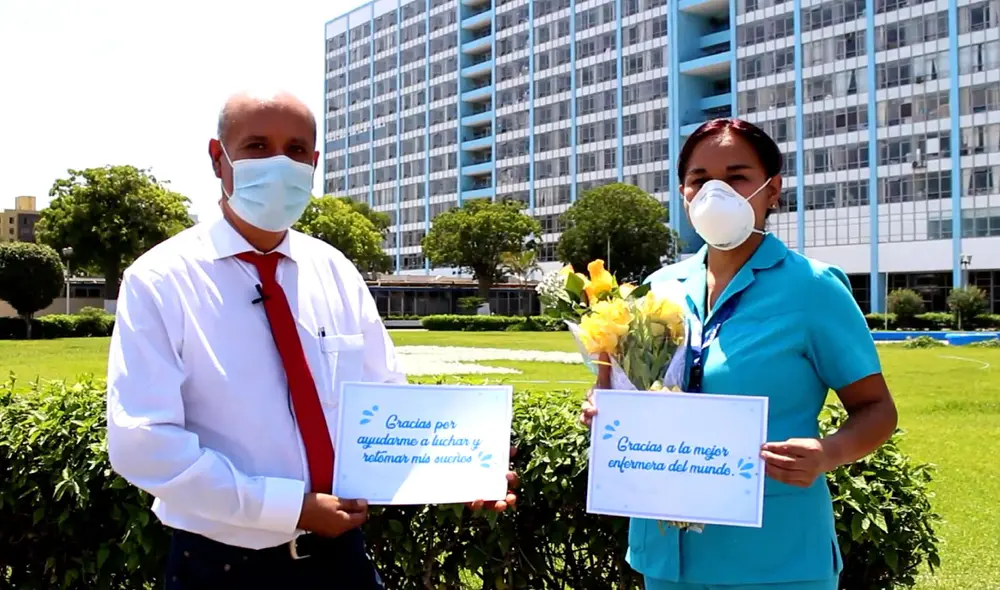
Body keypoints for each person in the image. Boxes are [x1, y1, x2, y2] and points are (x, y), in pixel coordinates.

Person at [106, 89, 516, 589]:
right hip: (222, 566)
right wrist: (288, 509)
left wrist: (461, 473)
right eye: (257, 146)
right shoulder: (160, 279)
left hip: (341, 558)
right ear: (219, 158)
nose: (279, 163)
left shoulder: (334, 269)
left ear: (314, 163)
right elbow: (141, 443)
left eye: (297, 150)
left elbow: (385, 401)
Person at [580, 118, 898, 590]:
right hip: (667, 556)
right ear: (684, 192)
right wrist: (606, 407)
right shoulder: (656, 289)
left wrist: (828, 452)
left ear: (772, 190)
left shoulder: (812, 288)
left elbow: (877, 410)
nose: (716, 192)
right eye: (700, 180)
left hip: (775, 558)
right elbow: (633, 387)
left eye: (736, 176)